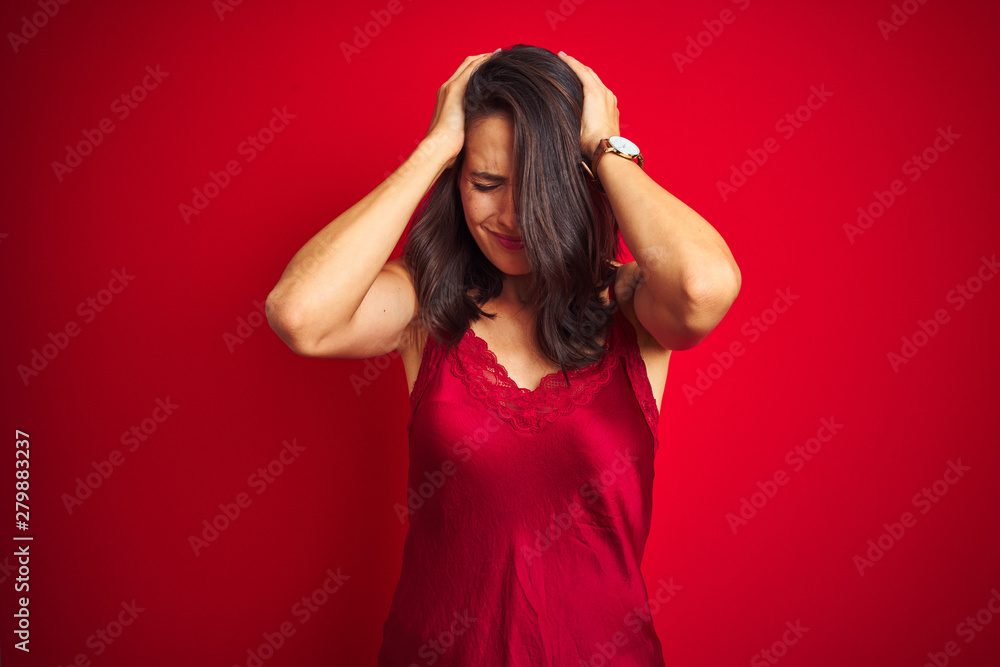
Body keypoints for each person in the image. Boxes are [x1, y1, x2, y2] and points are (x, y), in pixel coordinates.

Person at [266, 44, 740, 666]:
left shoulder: (634, 304)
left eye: (541, 188)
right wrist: (436, 147)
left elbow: (704, 287)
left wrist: (608, 148)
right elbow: (299, 315)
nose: (512, 215)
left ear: (583, 184)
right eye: (486, 183)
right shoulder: (423, 306)